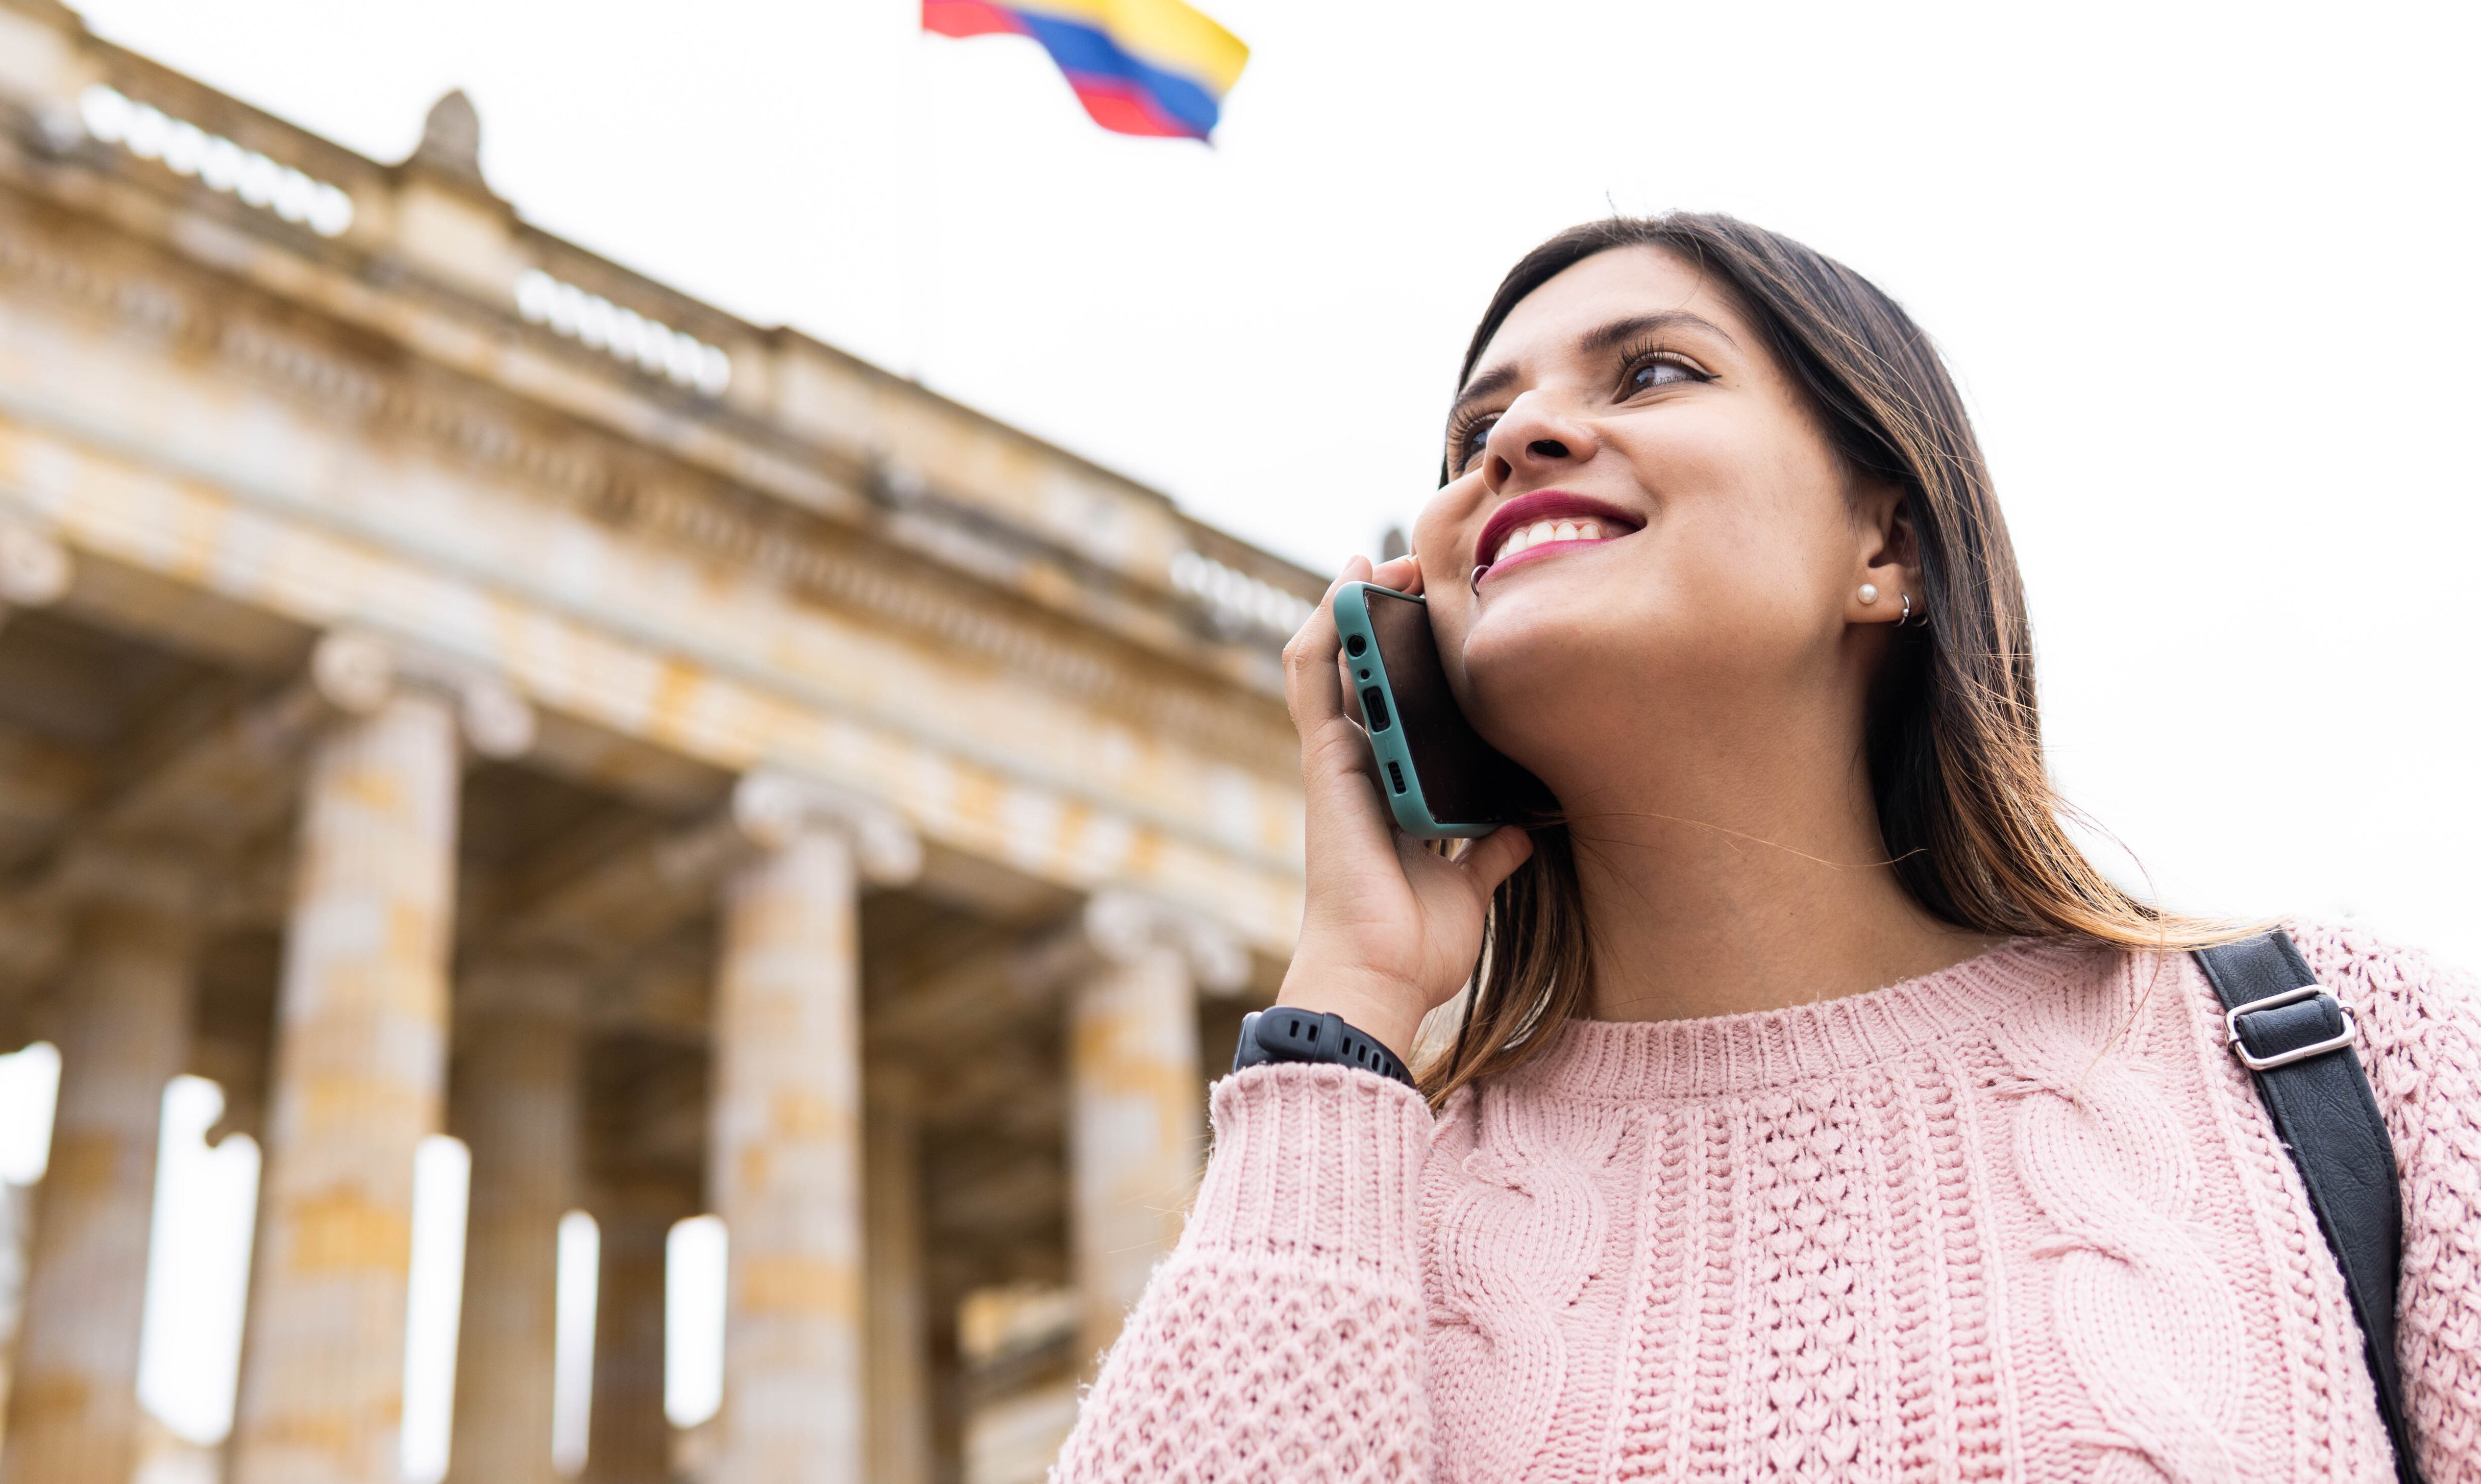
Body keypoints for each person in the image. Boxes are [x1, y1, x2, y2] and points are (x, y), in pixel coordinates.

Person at [1056, 214, 2480, 1481]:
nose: (1513, 442)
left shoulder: (2339, 1055)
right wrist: (1351, 1005)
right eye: (1471, 433)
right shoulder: (1356, 1213)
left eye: (1653, 372)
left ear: (1889, 544)